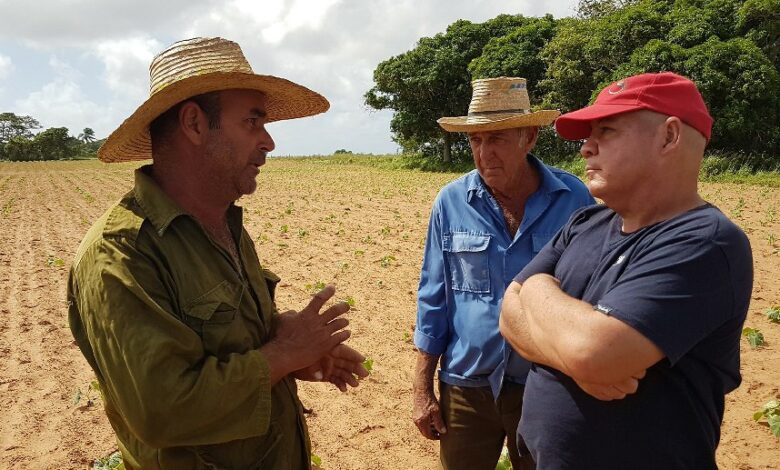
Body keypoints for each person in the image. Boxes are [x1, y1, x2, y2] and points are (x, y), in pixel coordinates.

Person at [67, 37, 368, 469]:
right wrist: (283, 353)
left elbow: (229, 344)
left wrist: (287, 348)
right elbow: (162, 410)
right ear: (194, 123)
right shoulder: (122, 255)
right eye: (252, 122)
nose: (268, 142)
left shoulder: (224, 224)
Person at [499, 72, 754, 470]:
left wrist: (534, 289)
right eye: (588, 134)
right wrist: (573, 356)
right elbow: (507, 316)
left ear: (669, 136)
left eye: (608, 130)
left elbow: (594, 352)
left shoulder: (706, 242)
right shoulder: (585, 222)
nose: (587, 148)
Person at [412, 77, 594, 470]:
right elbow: (434, 297)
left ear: (529, 137)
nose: (484, 152)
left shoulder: (574, 199)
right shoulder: (451, 202)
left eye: (496, 138)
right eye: (475, 140)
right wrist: (422, 388)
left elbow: (590, 295)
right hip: (466, 384)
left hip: (546, 383)